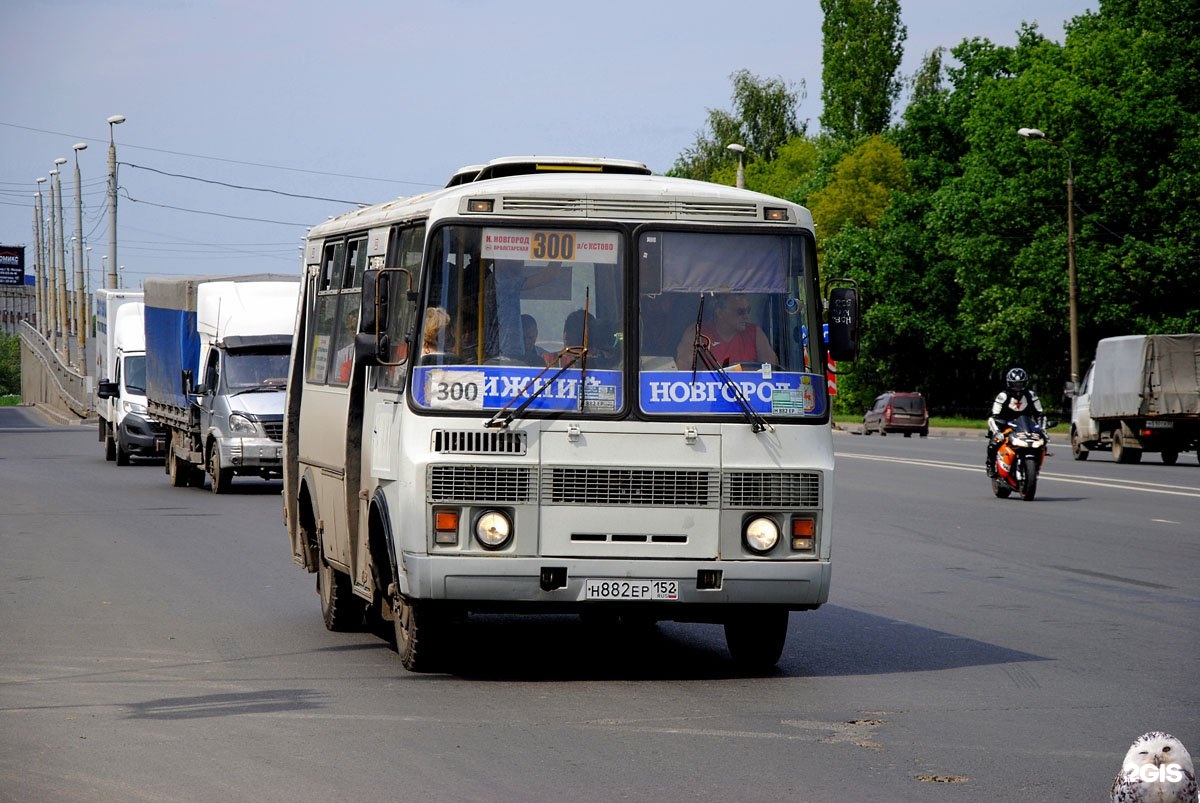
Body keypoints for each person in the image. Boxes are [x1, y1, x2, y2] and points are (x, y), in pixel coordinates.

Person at [674, 295, 778, 370]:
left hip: (745, 398)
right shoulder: (698, 332)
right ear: (719, 312)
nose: (747, 317)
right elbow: (683, 373)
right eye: (740, 312)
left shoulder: (755, 333)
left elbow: (773, 370)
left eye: (748, 310)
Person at [985, 366, 1045, 475]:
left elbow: (1040, 414)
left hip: (1026, 426)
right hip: (1005, 425)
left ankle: (1034, 466)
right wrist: (997, 432)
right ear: (1009, 383)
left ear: (1025, 383)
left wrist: (1042, 429)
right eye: (1015, 384)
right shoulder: (1003, 396)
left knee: (1042, 443)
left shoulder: (1031, 395)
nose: (1018, 387)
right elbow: (993, 417)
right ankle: (990, 465)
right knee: (994, 444)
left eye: (1021, 383)